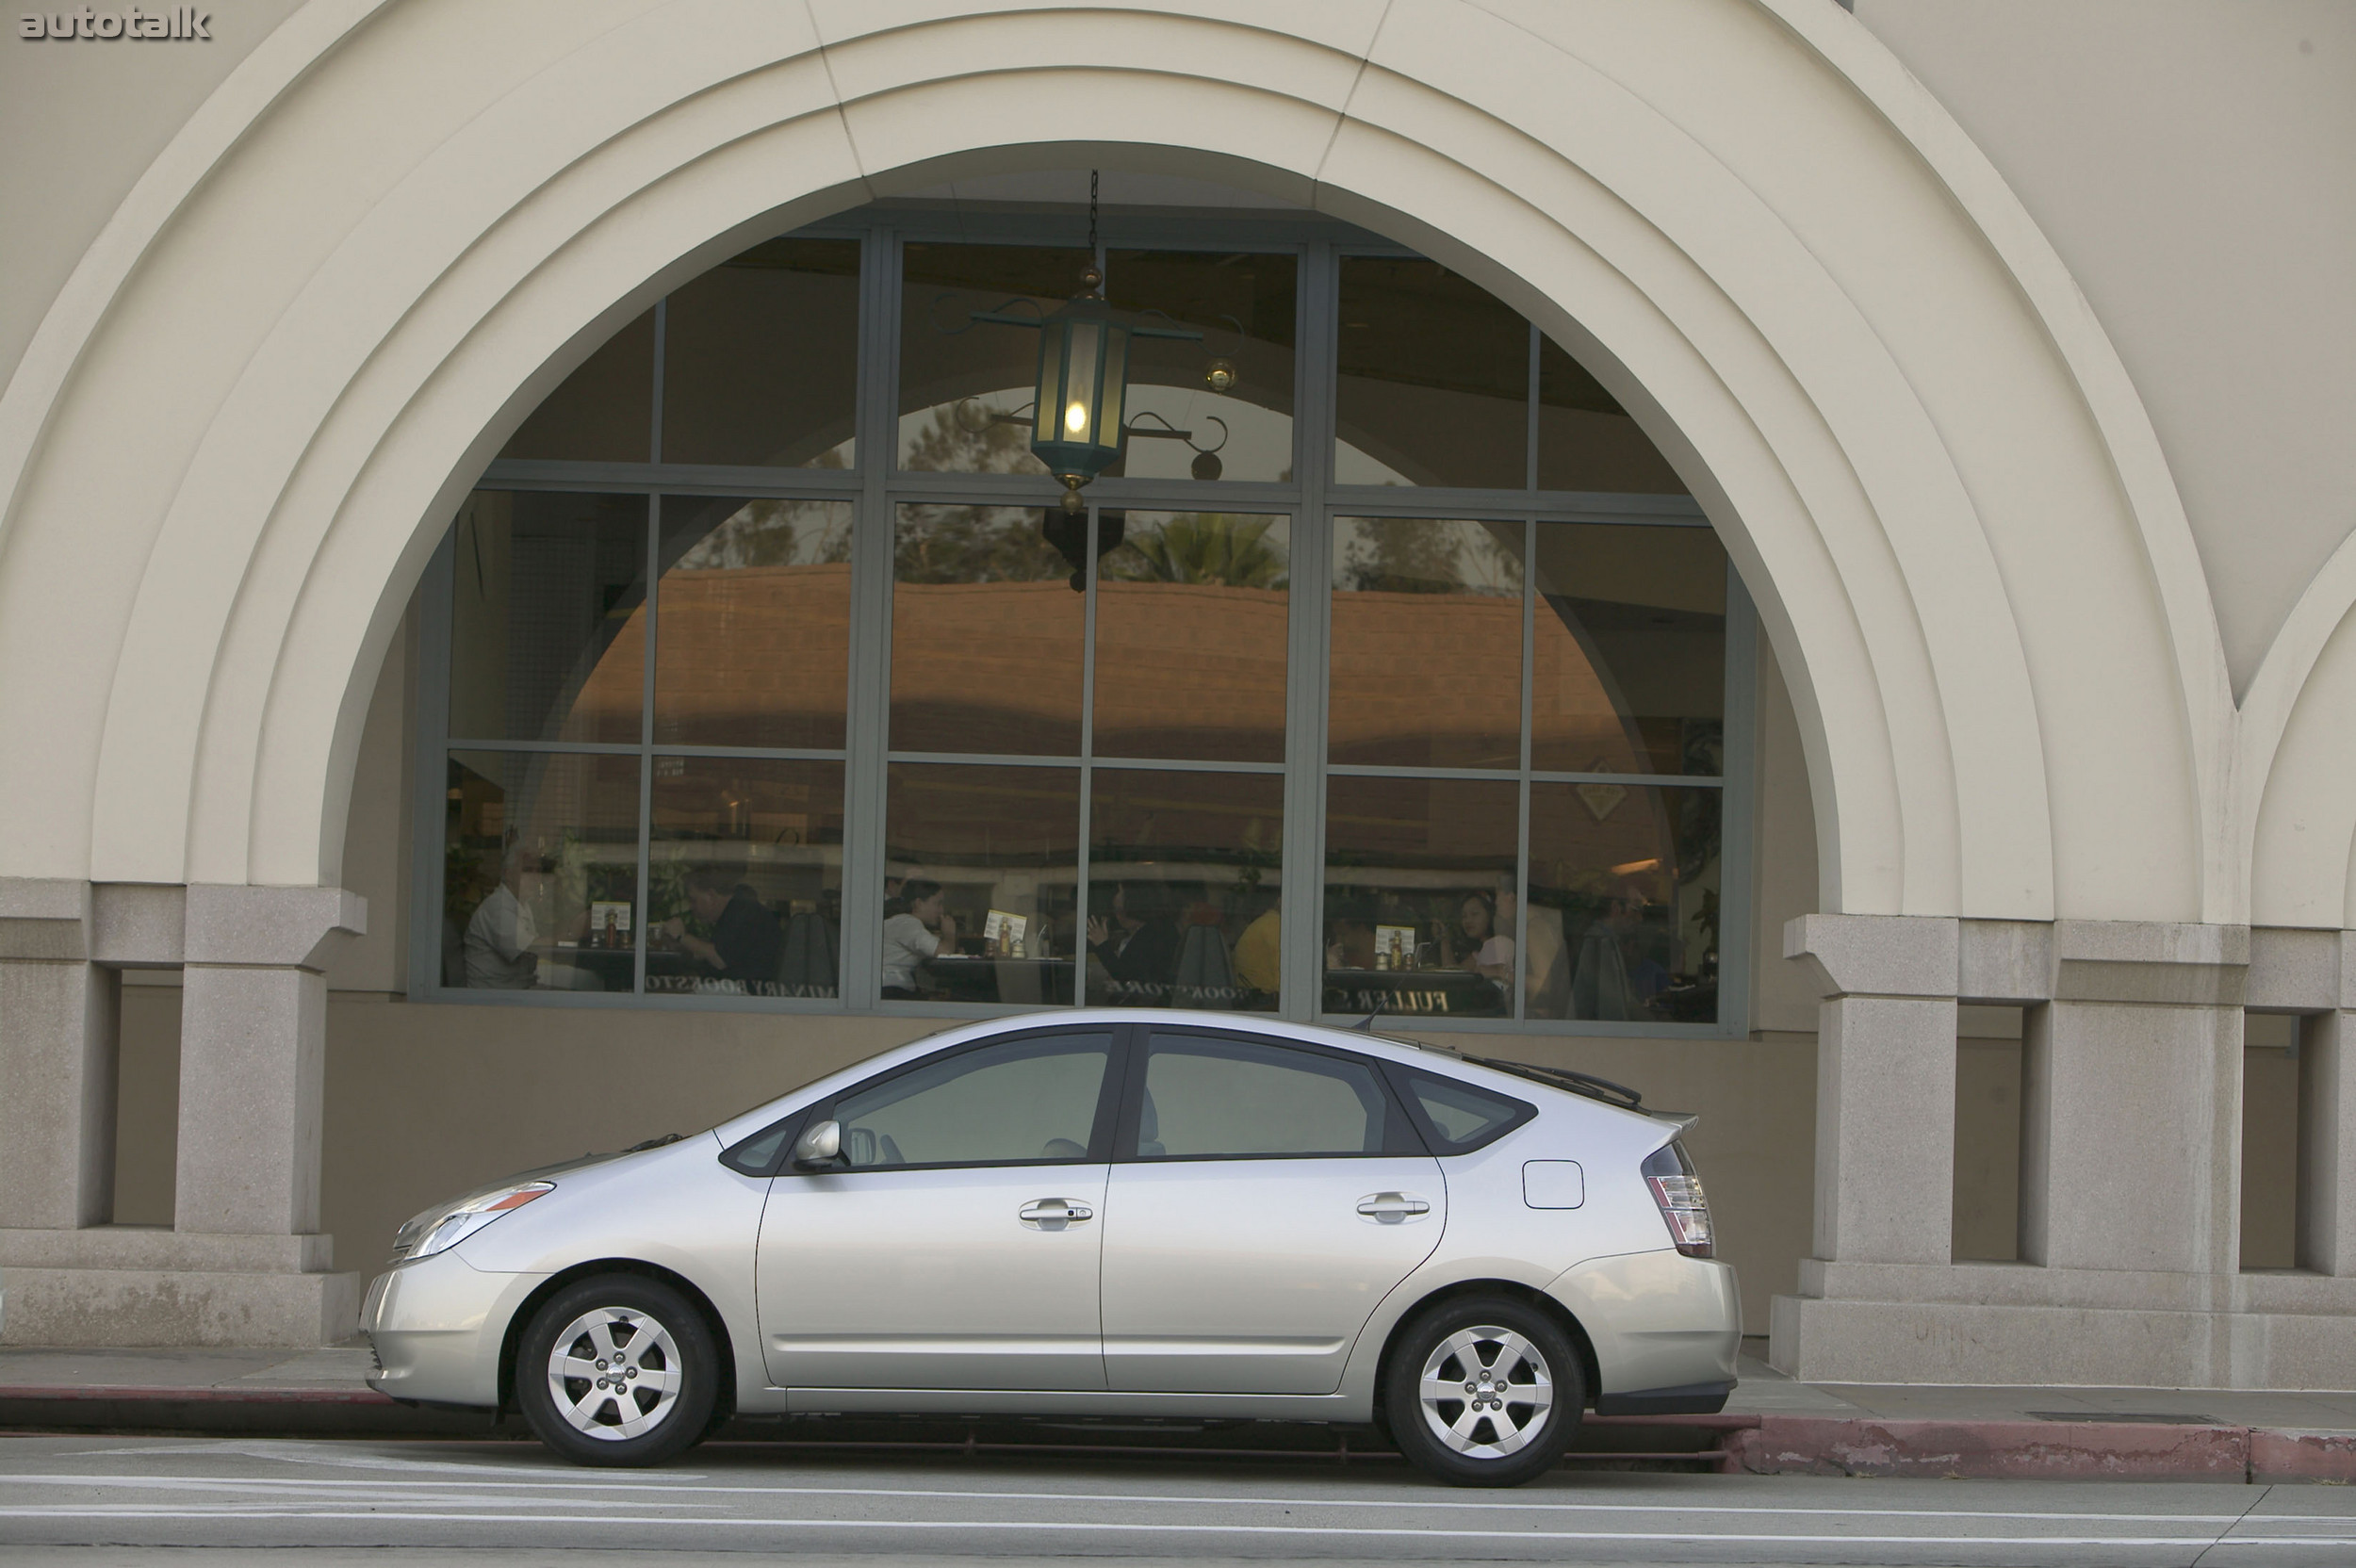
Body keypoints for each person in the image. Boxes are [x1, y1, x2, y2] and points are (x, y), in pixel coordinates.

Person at [662, 869, 782, 992]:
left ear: (711, 896)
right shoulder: (737, 910)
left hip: (745, 996)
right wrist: (682, 946)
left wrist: (682, 937)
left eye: (693, 900)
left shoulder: (741, 913)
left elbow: (720, 958)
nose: (691, 907)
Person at [1087, 880, 1180, 1004]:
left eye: (1119, 910)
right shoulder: (1157, 930)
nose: (1117, 916)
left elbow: (1124, 974)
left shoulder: (1153, 935)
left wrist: (1102, 945)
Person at [881, 878, 956, 999]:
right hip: (892, 991)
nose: (941, 910)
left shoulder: (903, 922)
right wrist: (949, 933)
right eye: (938, 903)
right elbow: (944, 954)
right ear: (918, 903)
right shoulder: (908, 924)